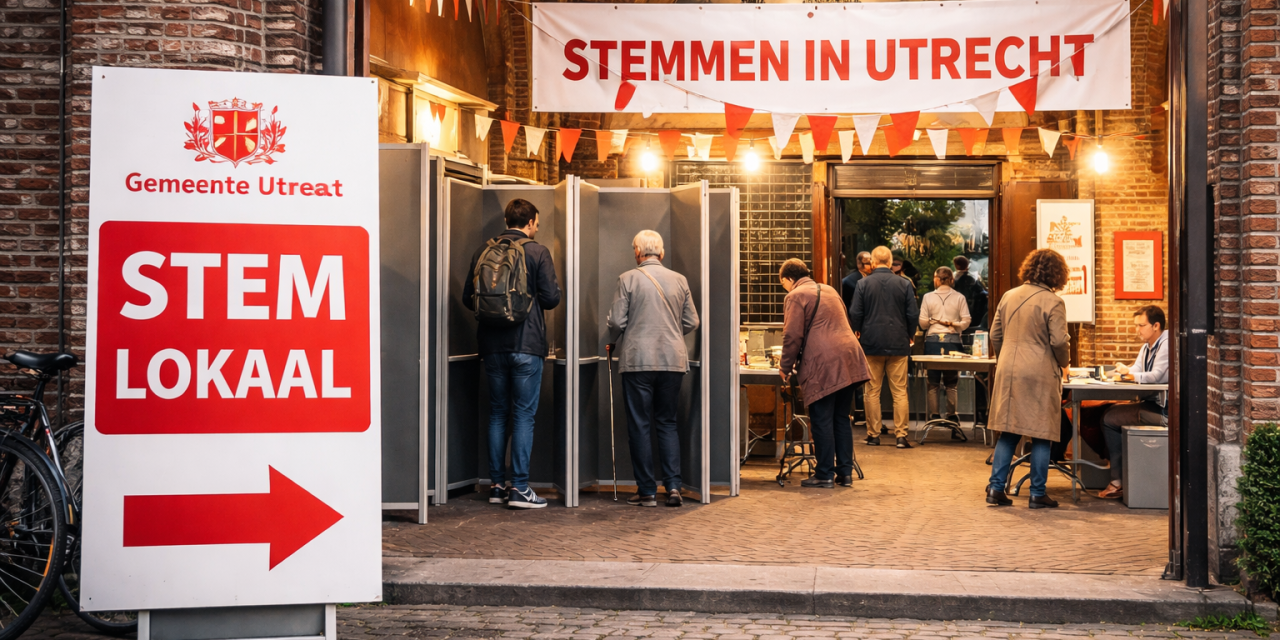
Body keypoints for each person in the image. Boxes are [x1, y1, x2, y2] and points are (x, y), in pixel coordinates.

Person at [463, 198, 561, 510]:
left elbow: (468, 298)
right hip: (527, 345)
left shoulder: (483, 251)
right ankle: (519, 488)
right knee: (523, 415)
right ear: (530, 222)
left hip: (492, 346)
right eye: (537, 224)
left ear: (507, 220)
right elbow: (552, 298)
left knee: (497, 413)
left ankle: (496, 486)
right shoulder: (537, 251)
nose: (537, 228)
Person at [607, 230, 700, 508]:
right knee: (667, 422)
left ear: (637, 252)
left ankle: (647, 491)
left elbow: (616, 322)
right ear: (661, 252)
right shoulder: (679, 279)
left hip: (638, 361)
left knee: (640, 424)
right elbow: (692, 321)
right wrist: (671, 334)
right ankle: (674, 487)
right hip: (672, 361)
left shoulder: (628, 278)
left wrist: (613, 339)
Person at [985, 249, 1072, 509]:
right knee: (1042, 433)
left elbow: (994, 335)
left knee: (1008, 431)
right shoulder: (1054, 302)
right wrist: (1065, 363)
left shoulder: (1009, 295)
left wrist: (1006, 357)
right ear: (1057, 274)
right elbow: (1059, 341)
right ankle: (1037, 493)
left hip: (1008, 370)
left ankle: (996, 488)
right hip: (1039, 372)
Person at [778, 259, 871, 488]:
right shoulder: (830, 290)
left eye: (783, 284)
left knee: (821, 419)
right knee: (841, 418)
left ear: (789, 279)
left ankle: (824, 474)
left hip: (824, 363)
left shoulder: (796, 296)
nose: (785, 289)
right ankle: (845, 473)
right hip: (850, 358)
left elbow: (792, 335)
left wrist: (785, 366)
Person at [1096, 305, 1169, 500]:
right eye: (1136, 325)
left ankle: (1118, 481)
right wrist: (1124, 370)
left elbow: (1156, 376)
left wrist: (1130, 374)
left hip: (1165, 410)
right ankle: (1121, 476)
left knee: (1110, 418)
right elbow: (1136, 369)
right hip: (1153, 405)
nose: (1137, 330)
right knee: (1110, 412)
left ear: (1156, 325)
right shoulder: (1147, 346)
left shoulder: (1167, 344)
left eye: (1141, 325)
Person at [850, 246, 919, 448]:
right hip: (898, 342)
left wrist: (858, 331)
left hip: (871, 342)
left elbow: (855, 312)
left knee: (871, 391)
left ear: (872, 262)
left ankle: (873, 435)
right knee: (900, 391)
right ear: (889, 262)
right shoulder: (904, 283)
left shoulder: (863, 283)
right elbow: (912, 313)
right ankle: (901, 436)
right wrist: (910, 334)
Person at [918, 266, 971, 427]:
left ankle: (934, 416)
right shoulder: (959, 297)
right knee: (951, 383)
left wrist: (933, 321)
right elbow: (966, 321)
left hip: (932, 340)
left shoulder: (928, 297)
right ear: (951, 279)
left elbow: (922, 323)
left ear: (936, 279)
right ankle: (952, 416)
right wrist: (952, 324)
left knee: (933, 383)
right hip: (953, 340)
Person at [952, 255, 990, 425]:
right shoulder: (975, 284)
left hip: (964, 328)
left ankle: (979, 412)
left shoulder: (956, 284)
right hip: (975, 328)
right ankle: (982, 413)